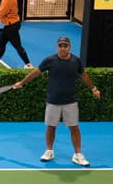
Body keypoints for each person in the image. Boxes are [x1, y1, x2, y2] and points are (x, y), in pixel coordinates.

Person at [9, 35, 102, 166]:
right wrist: (22, 82)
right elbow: (36, 72)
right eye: (61, 46)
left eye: (65, 46)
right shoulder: (50, 60)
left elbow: (84, 75)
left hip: (70, 101)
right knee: (51, 127)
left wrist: (93, 88)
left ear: (69, 47)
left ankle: (78, 154)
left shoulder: (76, 61)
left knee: (74, 127)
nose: (63, 48)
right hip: (53, 101)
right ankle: (49, 151)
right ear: (57, 47)